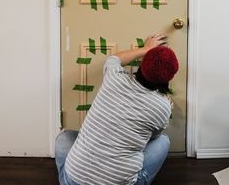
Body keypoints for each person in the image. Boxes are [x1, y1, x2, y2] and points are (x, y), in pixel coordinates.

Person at [55, 34, 179, 185]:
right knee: (163, 141)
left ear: (142, 64)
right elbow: (153, 137)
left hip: (73, 180)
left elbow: (114, 58)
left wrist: (146, 49)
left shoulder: (114, 77)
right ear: (168, 79)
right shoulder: (163, 106)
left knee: (64, 137)